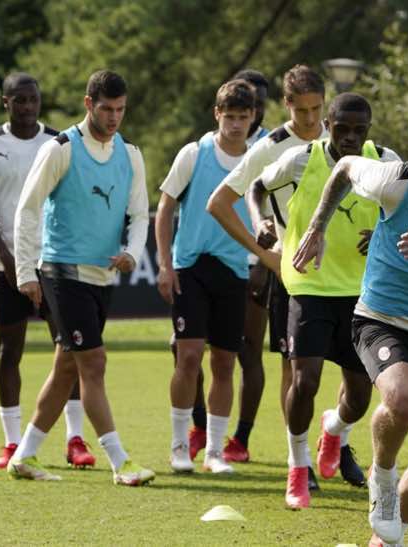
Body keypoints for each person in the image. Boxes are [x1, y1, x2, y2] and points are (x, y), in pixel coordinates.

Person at [293, 91, 408, 546]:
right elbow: (344, 169)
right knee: (405, 396)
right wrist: (316, 227)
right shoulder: (395, 179)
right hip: (381, 318)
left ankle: (386, 539)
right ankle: (383, 476)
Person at [208, 92, 401, 509]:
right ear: (328, 124)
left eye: (359, 129)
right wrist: (261, 221)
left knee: (359, 396)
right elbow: (256, 188)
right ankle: (297, 466)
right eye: (342, 127)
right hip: (307, 285)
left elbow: (404, 209)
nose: (350, 137)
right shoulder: (300, 160)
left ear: (368, 129)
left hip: (362, 291)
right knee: (305, 380)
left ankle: (335, 430)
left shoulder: (385, 161)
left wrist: (383, 235)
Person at [9, 70, 154, 486]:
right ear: (88, 104)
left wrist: (131, 252)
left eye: (120, 109)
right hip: (62, 271)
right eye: (106, 108)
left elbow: (140, 213)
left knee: (67, 369)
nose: (114, 118)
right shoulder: (61, 149)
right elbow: (28, 209)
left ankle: (25, 455)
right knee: (93, 361)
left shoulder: (131, 154)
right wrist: (26, 272)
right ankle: (119, 461)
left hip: (102, 278)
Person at [208, 65, 330, 485]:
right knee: (295, 371)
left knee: (361, 373)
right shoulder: (270, 147)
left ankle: (338, 438)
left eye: (318, 109)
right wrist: (266, 255)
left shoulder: (343, 140)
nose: (311, 121)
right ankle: (301, 463)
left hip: (347, 277)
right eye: (302, 110)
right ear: (286, 104)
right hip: (293, 277)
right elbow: (220, 203)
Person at [0, 72, 94, 470]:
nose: (27, 106)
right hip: (4, 266)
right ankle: (11, 442)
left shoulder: (58, 143)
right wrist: (8, 259)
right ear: (5, 102)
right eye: (18, 100)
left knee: (69, 352)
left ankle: (75, 439)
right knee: (9, 353)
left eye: (33, 99)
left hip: (53, 264)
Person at [156, 80, 256, 474]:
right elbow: (164, 209)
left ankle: (215, 452)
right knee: (189, 356)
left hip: (234, 270)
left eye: (242, 117)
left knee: (226, 363)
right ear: (217, 115)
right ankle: (180, 445)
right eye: (228, 116)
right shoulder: (194, 154)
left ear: (252, 118)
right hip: (190, 267)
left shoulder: (258, 161)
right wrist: (165, 264)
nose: (235, 125)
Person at [178, 69, 272, 463]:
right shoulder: (203, 148)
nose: (241, 118)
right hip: (212, 262)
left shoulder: (271, 147)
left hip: (255, 265)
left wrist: (264, 266)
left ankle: (241, 438)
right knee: (187, 351)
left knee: (246, 354)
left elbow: (275, 212)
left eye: (253, 106)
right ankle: (199, 428)